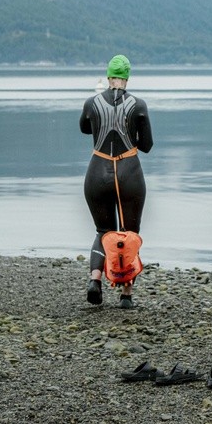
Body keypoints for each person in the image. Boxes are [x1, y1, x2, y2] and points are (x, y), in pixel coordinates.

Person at [80, 54, 153, 309]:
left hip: (97, 171)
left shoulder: (91, 102)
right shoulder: (139, 105)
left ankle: (95, 280)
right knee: (129, 233)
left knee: (103, 231)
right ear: (127, 77)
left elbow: (84, 128)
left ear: (109, 76)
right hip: (128, 171)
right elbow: (147, 146)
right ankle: (126, 294)